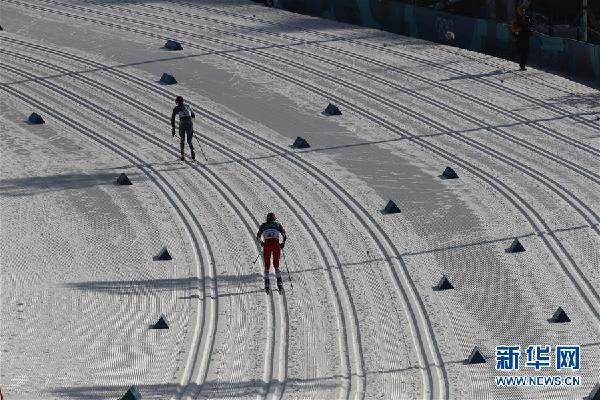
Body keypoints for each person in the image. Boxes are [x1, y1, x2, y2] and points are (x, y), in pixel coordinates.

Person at [256, 212, 287, 293]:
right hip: (276, 245)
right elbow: (284, 235)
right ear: (274, 218)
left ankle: (266, 285)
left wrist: (262, 243)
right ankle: (279, 284)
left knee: (267, 265)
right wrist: (283, 243)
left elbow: (258, 236)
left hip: (267, 246)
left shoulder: (263, 225)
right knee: (276, 265)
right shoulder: (278, 225)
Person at [171, 96, 196, 161]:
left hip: (182, 124)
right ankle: (192, 150)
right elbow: (193, 115)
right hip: (189, 123)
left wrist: (173, 128)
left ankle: (182, 155)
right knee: (189, 140)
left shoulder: (176, 109)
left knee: (182, 139)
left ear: (177, 102)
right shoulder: (188, 106)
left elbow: (173, 118)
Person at [512, 6, 533, 71]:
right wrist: (516, 33)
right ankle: (514, 58)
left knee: (525, 52)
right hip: (520, 37)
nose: (522, 12)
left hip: (526, 37)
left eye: (523, 11)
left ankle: (522, 65)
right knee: (520, 51)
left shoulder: (527, 18)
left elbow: (530, 26)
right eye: (521, 11)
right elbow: (513, 29)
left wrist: (530, 29)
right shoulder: (517, 19)